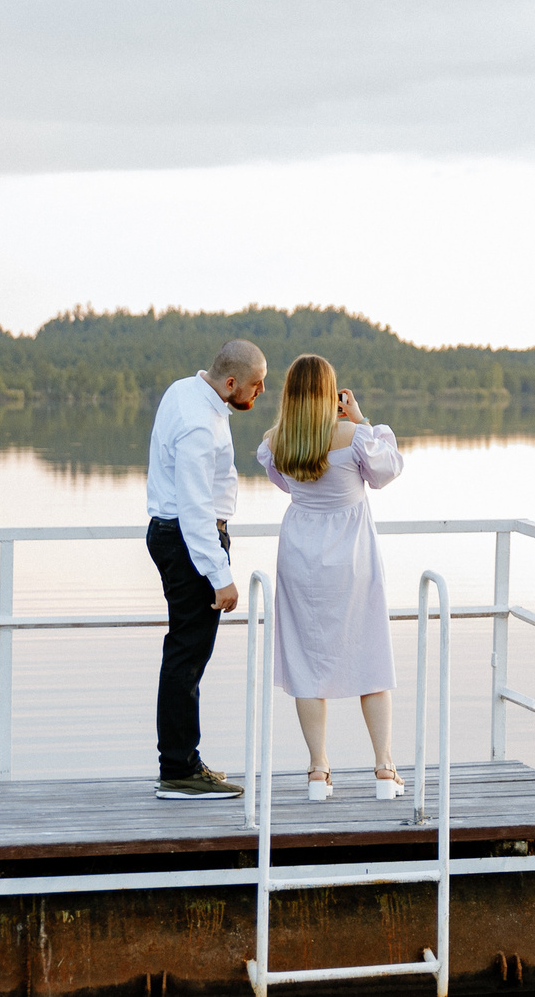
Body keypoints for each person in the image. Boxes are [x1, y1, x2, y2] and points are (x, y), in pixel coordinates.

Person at [257, 353, 407, 802]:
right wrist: (366, 421)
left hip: (300, 553)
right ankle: (384, 769)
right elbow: (387, 470)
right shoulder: (356, 436)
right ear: (331, 392)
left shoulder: (277, 441)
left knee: (307, 661)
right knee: (371, 654)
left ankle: (318, 772)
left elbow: (287, 485)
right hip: (353, 555)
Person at [144, 338, 265, 800]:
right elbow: (195, 508)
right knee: (186, 658)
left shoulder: (185, 392)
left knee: (184, 654)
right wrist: (221, 575)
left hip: (173, 533)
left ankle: (183, 763)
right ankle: (178, 771)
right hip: (189, 538)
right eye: (256, 386)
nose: (259, 394)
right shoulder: (198, 422)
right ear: (231, 382)